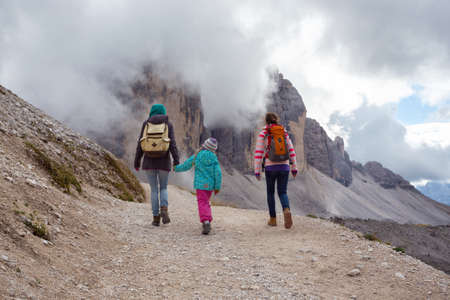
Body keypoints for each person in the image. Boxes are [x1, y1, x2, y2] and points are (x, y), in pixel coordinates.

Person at [134, 104, 180, 226]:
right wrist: (176, 161)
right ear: (163, 112)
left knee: (154, 190)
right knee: (163, 188)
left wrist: (137, 162)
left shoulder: (146, 124)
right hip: (164, 162)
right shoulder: (168, 124)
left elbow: (140, 144)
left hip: (149, 162)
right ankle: (164, 209)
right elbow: (173, 144)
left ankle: (155, 218)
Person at [254, 112, 297, 229]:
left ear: (266, 121)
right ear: (276, 120)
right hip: (284, 166)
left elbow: (258, 153)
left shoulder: (264, 133)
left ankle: (273, 219)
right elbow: (291, 150)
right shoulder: (283, 132)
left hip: (270, 167)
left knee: (270, 192)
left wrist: (257, 170)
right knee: (282, 192)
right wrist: (294, 167)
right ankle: (286, 209)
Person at [174, 138, 222, 235]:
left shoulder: (197, 155)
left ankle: (205, 221)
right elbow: (218, 173)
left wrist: (176, 168)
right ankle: (208, 219)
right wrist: (217, 187)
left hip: (200, 185)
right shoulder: (214, 158)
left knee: (202, 202)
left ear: (204, 145)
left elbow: (187, 165)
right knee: (206, 202)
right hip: (210, 186)